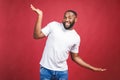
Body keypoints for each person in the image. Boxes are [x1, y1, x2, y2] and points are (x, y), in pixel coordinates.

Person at [30, 4, 106, 80]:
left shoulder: (76, 37)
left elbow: (75, 57)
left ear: (76, 19)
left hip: (62, 72)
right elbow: (36, 35)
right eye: (65, 17)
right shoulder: (53, 25)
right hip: (46, 69)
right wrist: (40, 16)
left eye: (70, 18)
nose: (67, 20)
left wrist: (91, 68)